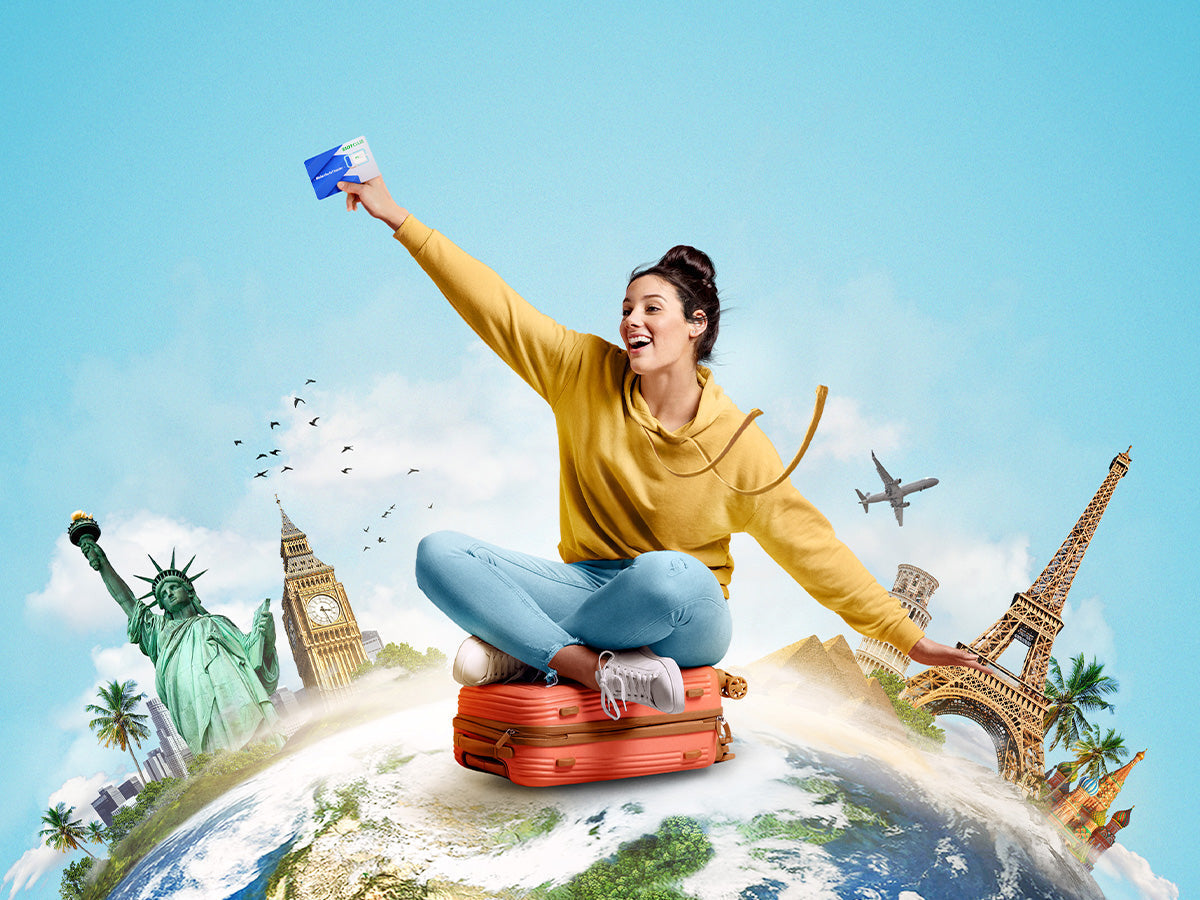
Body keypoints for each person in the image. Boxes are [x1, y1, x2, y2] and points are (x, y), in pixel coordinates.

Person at [339, 176, 985, 720]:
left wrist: (908, 638)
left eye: (652, 308)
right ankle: (585, 667)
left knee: (664, 571)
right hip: (586, 587)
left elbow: (810, 546)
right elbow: (494, 305)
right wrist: (397, 217)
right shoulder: (581, 371)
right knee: (438, 554)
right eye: (626, 308)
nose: (631, 321)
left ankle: (522, 649)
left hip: (686, 612)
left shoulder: (738, 443)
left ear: (695, 326)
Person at [78, 538, 284, 754]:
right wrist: (103, 565)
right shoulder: (159, 630)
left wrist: (265, 636)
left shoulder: (217, 623)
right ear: (160, 604)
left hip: (236, 694)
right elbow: (126, 601)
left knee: (258, 744)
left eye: (174, 587)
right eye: (162, 594)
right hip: (192, 704)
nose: (168, 593)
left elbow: (253, 660)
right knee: (220, 753)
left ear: (190, 591)